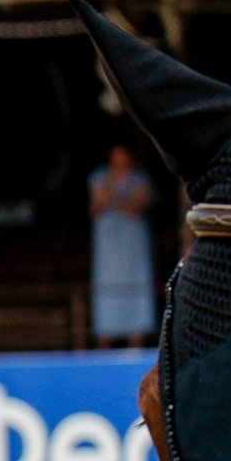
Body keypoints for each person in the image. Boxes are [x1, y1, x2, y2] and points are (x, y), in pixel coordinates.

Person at [87, 139, 157, 342]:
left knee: (135, 287)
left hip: (133, 244)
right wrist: (119, 201)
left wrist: (110, 200)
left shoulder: (140, 179)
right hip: (108, 245)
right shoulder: (99, 177)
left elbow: (136, 208)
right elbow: (94, 208)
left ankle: (136, 341)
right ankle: (104, 342)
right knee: (106, 291)